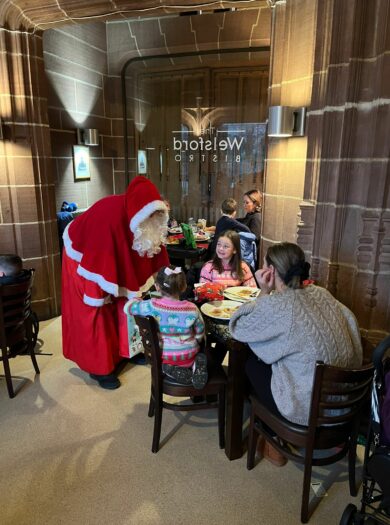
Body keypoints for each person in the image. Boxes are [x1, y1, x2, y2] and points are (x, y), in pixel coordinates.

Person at [229, 242, 363, 465]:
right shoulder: (323, 293)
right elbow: (351, 323)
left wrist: (264, 291)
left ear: (270, 271)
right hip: (345, 402)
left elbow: (239, 327)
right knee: (280, 357)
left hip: (310, 407)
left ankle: (273, 439)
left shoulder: (282, 305)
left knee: (252, 362)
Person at [61, 176, 170, 390]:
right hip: (84, 258)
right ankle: (99, 368)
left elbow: (152, 252)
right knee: (96, 311)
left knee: (126, 306)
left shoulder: (144, 221)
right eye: (154, 214)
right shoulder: (108, 217)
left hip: (105, 250)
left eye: (160, 214)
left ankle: (126, 352)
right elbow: (100, 259)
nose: (157, 219)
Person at [127, 265, 208, 389]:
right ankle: (195, 365)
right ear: (184, 287)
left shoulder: (151, 306)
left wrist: (136, 299)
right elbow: (200, 332)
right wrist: (196, 341)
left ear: (157, 287)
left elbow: (128, 308)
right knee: (199, 350)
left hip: (165, 356)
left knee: (164, 364)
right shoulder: (192, 308)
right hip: (189, 353)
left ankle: (169, 369)